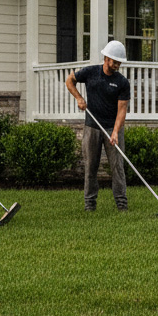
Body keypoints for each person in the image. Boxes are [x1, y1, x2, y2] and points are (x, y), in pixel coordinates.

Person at [65, 40, 131, 211]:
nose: (117, 65)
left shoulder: (122, 82)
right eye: (114, 61)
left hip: (112, 128)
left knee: (117, 167)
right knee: (91, 167)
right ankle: (90, 205)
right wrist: (79, 98)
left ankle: (122, 205)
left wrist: (116, 132)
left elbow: (122, 110)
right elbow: (69, 81)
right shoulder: (90, 72)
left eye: (119, 62)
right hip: (92, 126)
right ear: (106, 58)